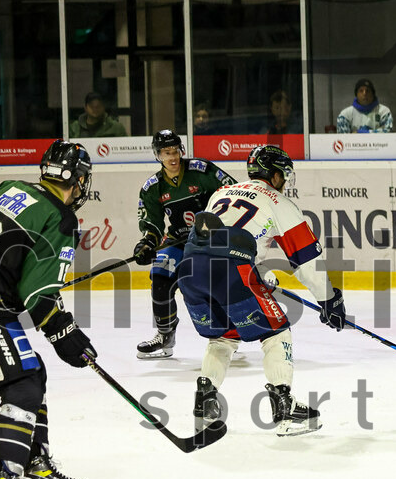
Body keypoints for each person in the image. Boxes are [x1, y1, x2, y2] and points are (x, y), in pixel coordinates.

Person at [177, 145, 347, 437]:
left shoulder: (222, 192)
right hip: (231, 271)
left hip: (190, 270)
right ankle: (285, 408)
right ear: (276, 174)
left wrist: (253, 271)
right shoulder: (279, 203)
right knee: (276, 331)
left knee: (224, 335)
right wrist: (329, 299)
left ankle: (205, 401)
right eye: (283, 174)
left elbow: (217, 238)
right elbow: (307, 263)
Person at [0, 140, 97, 479]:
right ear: (78, 181)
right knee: (24, 382)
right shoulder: (60, 217)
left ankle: (34, 464)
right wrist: (67, 335)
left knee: (33, 371)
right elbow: (37, 296)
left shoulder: (7, 187)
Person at [133, 130, 233, 359]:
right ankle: (165, 335)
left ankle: (227, 332)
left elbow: (233, 195)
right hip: (178, 241)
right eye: (166, 153)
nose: (173, 157)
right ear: (158, 155)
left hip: (210, 241)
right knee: (159, 278)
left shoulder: (203, 170)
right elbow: (152, 223)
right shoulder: (152, 188)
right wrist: (147, 243)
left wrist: (216, 223)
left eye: (175, 151)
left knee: (210, 281)